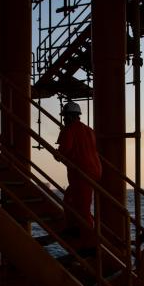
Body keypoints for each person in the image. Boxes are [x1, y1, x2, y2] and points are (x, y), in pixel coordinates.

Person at [56, 101, 102, 238]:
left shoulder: (68, 129)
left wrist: (57, 154)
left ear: (71, 116)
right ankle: (73, 228)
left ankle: (89, 242)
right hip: (93, 170)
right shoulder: (89, 130)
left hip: (82, 173)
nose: (64, 119)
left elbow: (64, 150)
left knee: (83, 208)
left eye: (65, 116)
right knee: (69, 199)